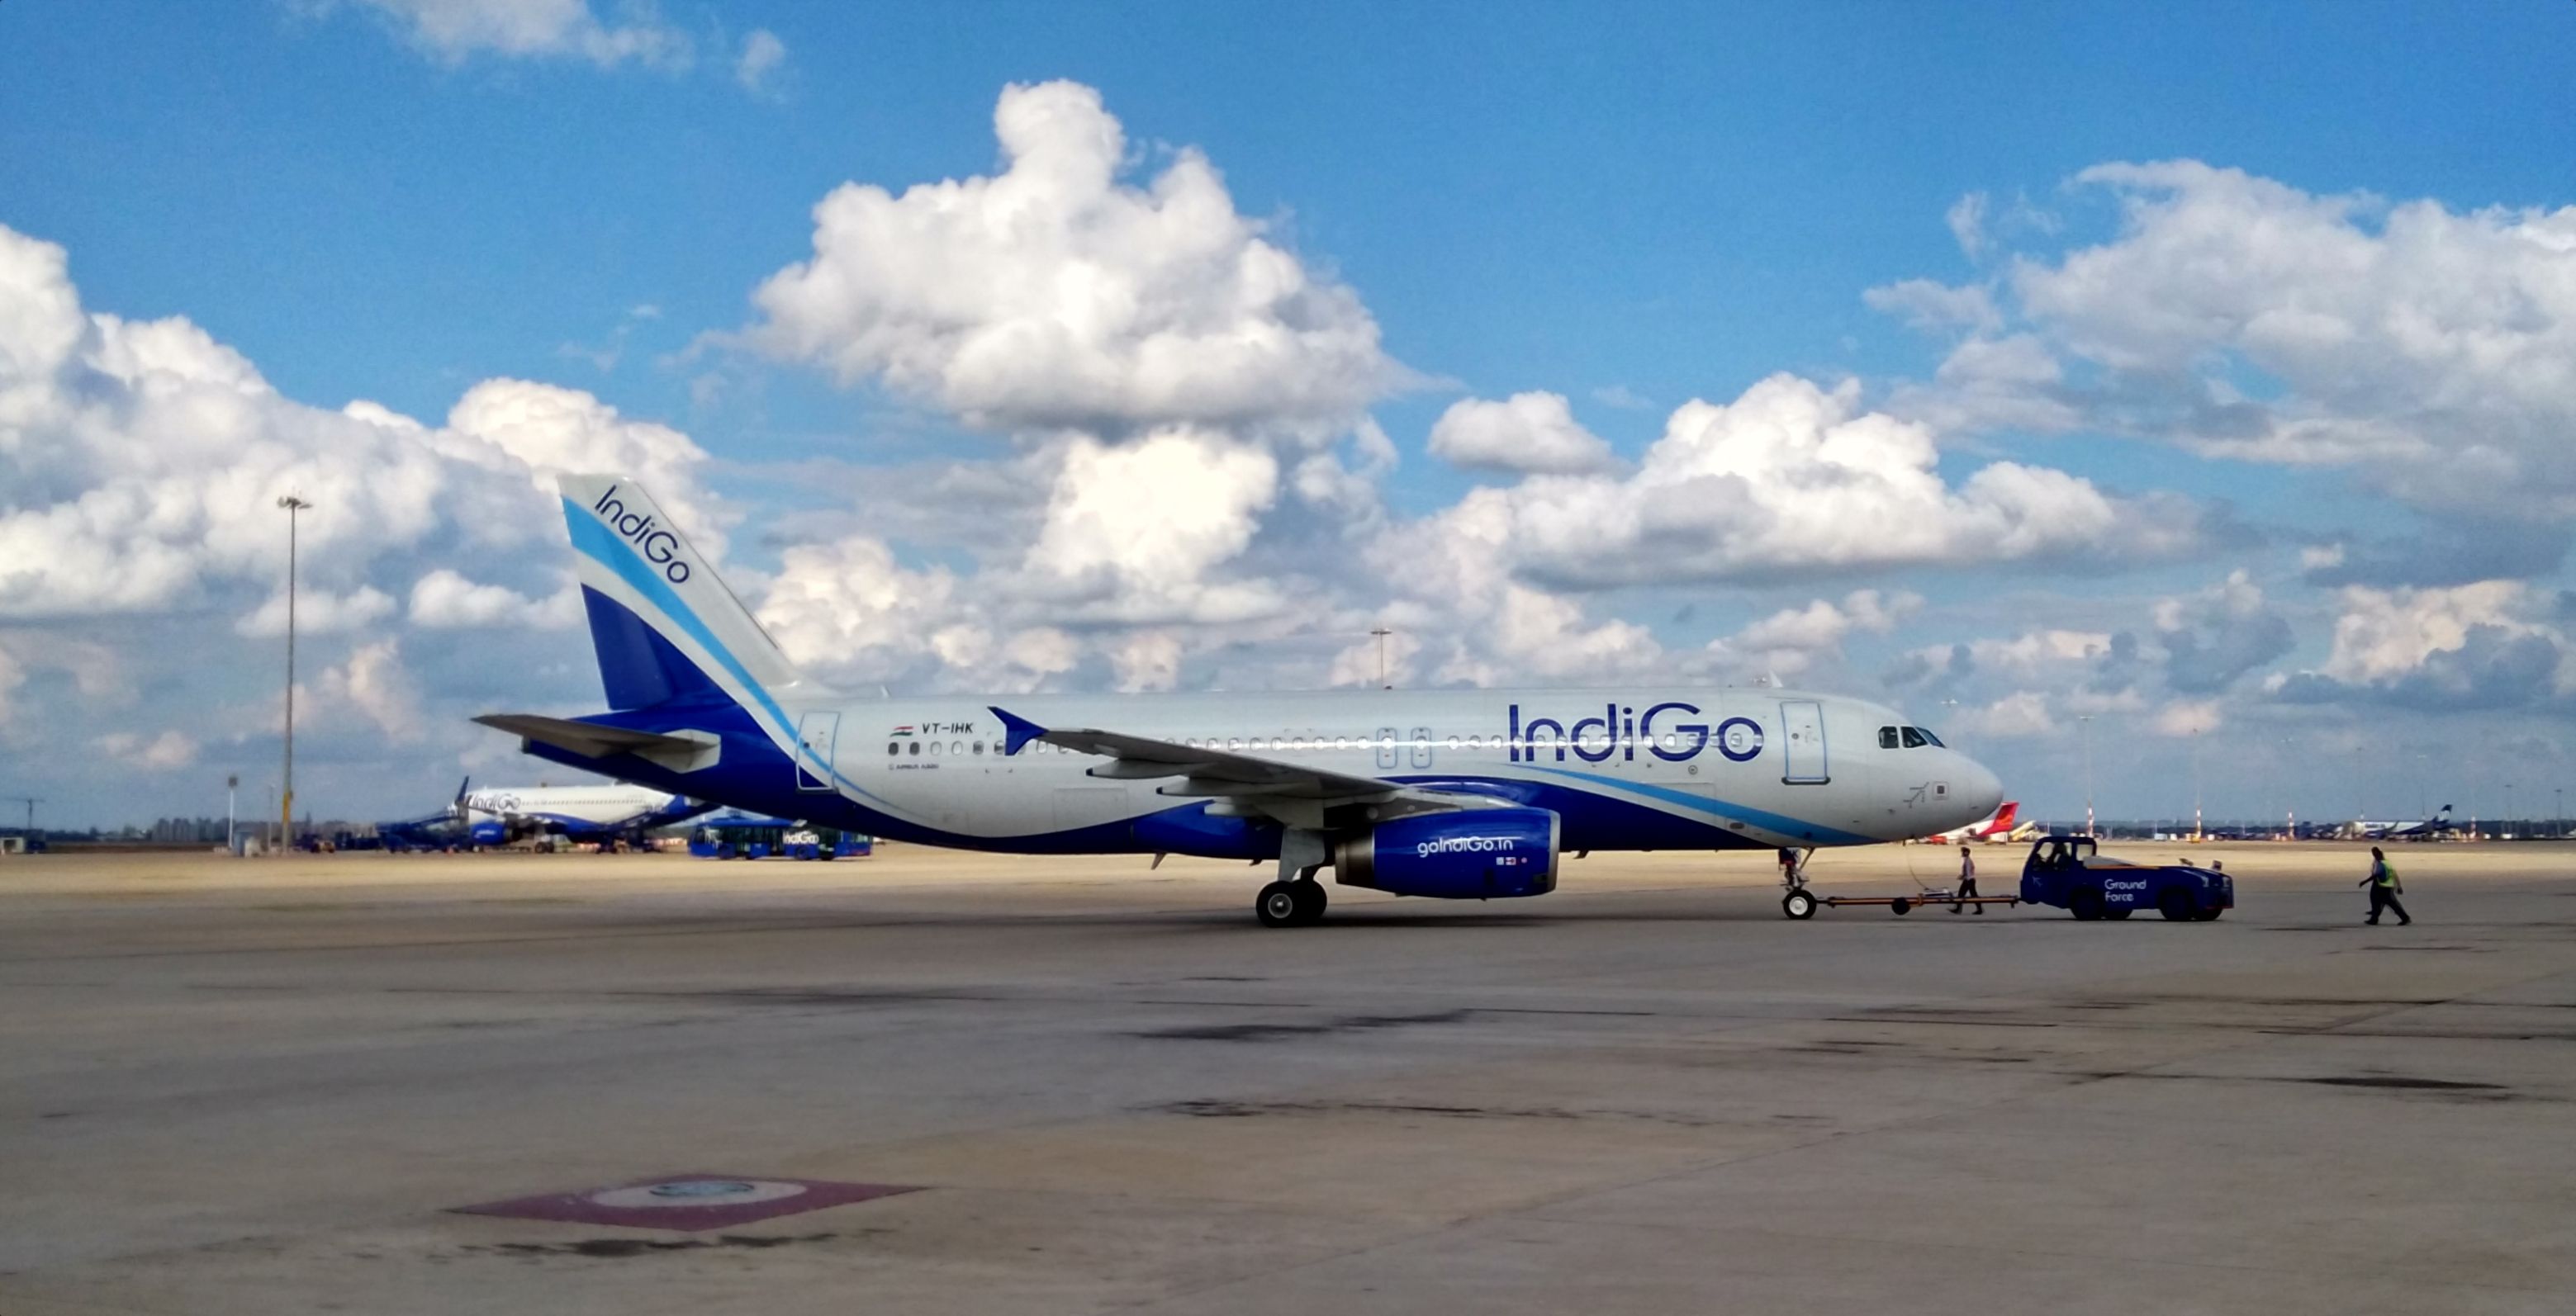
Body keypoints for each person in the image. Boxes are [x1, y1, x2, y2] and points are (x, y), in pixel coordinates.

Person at [2360, 845, 2411, 925]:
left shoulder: (2382, 864)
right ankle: (2374, 918)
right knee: (2377, 902)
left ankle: (2405, 918)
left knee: (2391, 903)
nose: (2374, 856)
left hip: (2384, 887)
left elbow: (2376, 875)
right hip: (2382, 885)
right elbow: (2393, 874)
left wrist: (2364, 882)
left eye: (2375, 854)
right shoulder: (2384, 862)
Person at [1952, 840, 1982, 914]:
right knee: (1973, 895)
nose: (1961, 853)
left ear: (1966, 853)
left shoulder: (1967, 861)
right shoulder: (1968, 860)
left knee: (1962, 895)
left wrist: (1962, 876)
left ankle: (1958, 910)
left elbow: (1968, 872)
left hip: (1969, 880)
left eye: (1962, 852)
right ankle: (1979, 909)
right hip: (1970, 880)